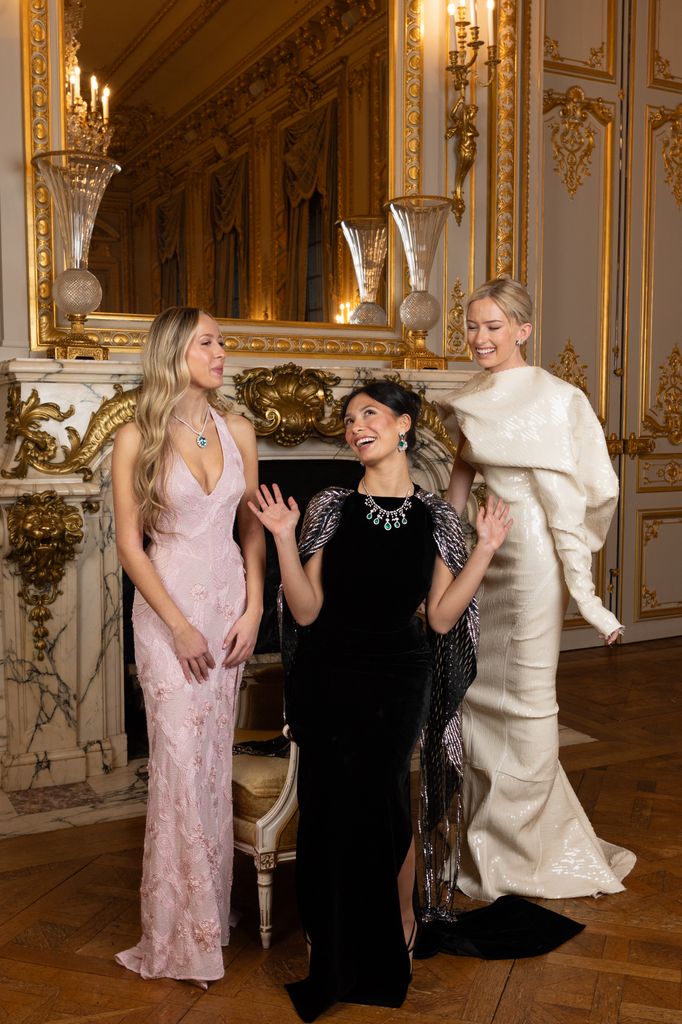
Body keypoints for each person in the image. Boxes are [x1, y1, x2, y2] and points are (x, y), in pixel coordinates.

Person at [248, 380, 511, 1022]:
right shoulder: (329, 507)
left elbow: (444, 618)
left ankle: (401, 919)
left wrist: (485, 549)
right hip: (330, 672)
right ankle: (329, 936)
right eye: (347, 419)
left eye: (369, 413)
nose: (354, 426)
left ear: (403, 425)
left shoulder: (437, 518)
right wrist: (283, 536)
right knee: (330, 808)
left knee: (387, 802)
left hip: (398, 675)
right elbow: (306, 611)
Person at [442, 277, 636, 902]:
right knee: (477, 692)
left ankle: (526, 847)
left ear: (523, 330)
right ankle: (487, 839)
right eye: (473, 326)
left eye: (494, 327)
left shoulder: (559, 398)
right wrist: (445, 541)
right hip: (487, 549)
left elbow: (586, 491)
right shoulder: (471, 397)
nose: (480, 338)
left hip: (532, 560)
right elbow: (461, 479)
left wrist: (581, 585)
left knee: (525, 697)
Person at [112, 306, 265, 984]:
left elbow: (253, 528)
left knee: (209, 762)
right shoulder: (134, 437)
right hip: (169, 611)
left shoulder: (238, 428)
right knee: (177, 763)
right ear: (175, 352)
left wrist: (258, 605)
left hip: (229, 604)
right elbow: (128, 543)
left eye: (222, 341)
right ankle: (178, 938)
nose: (222, 351)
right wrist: (175, 622)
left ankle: (210, 918)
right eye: (208, 341)